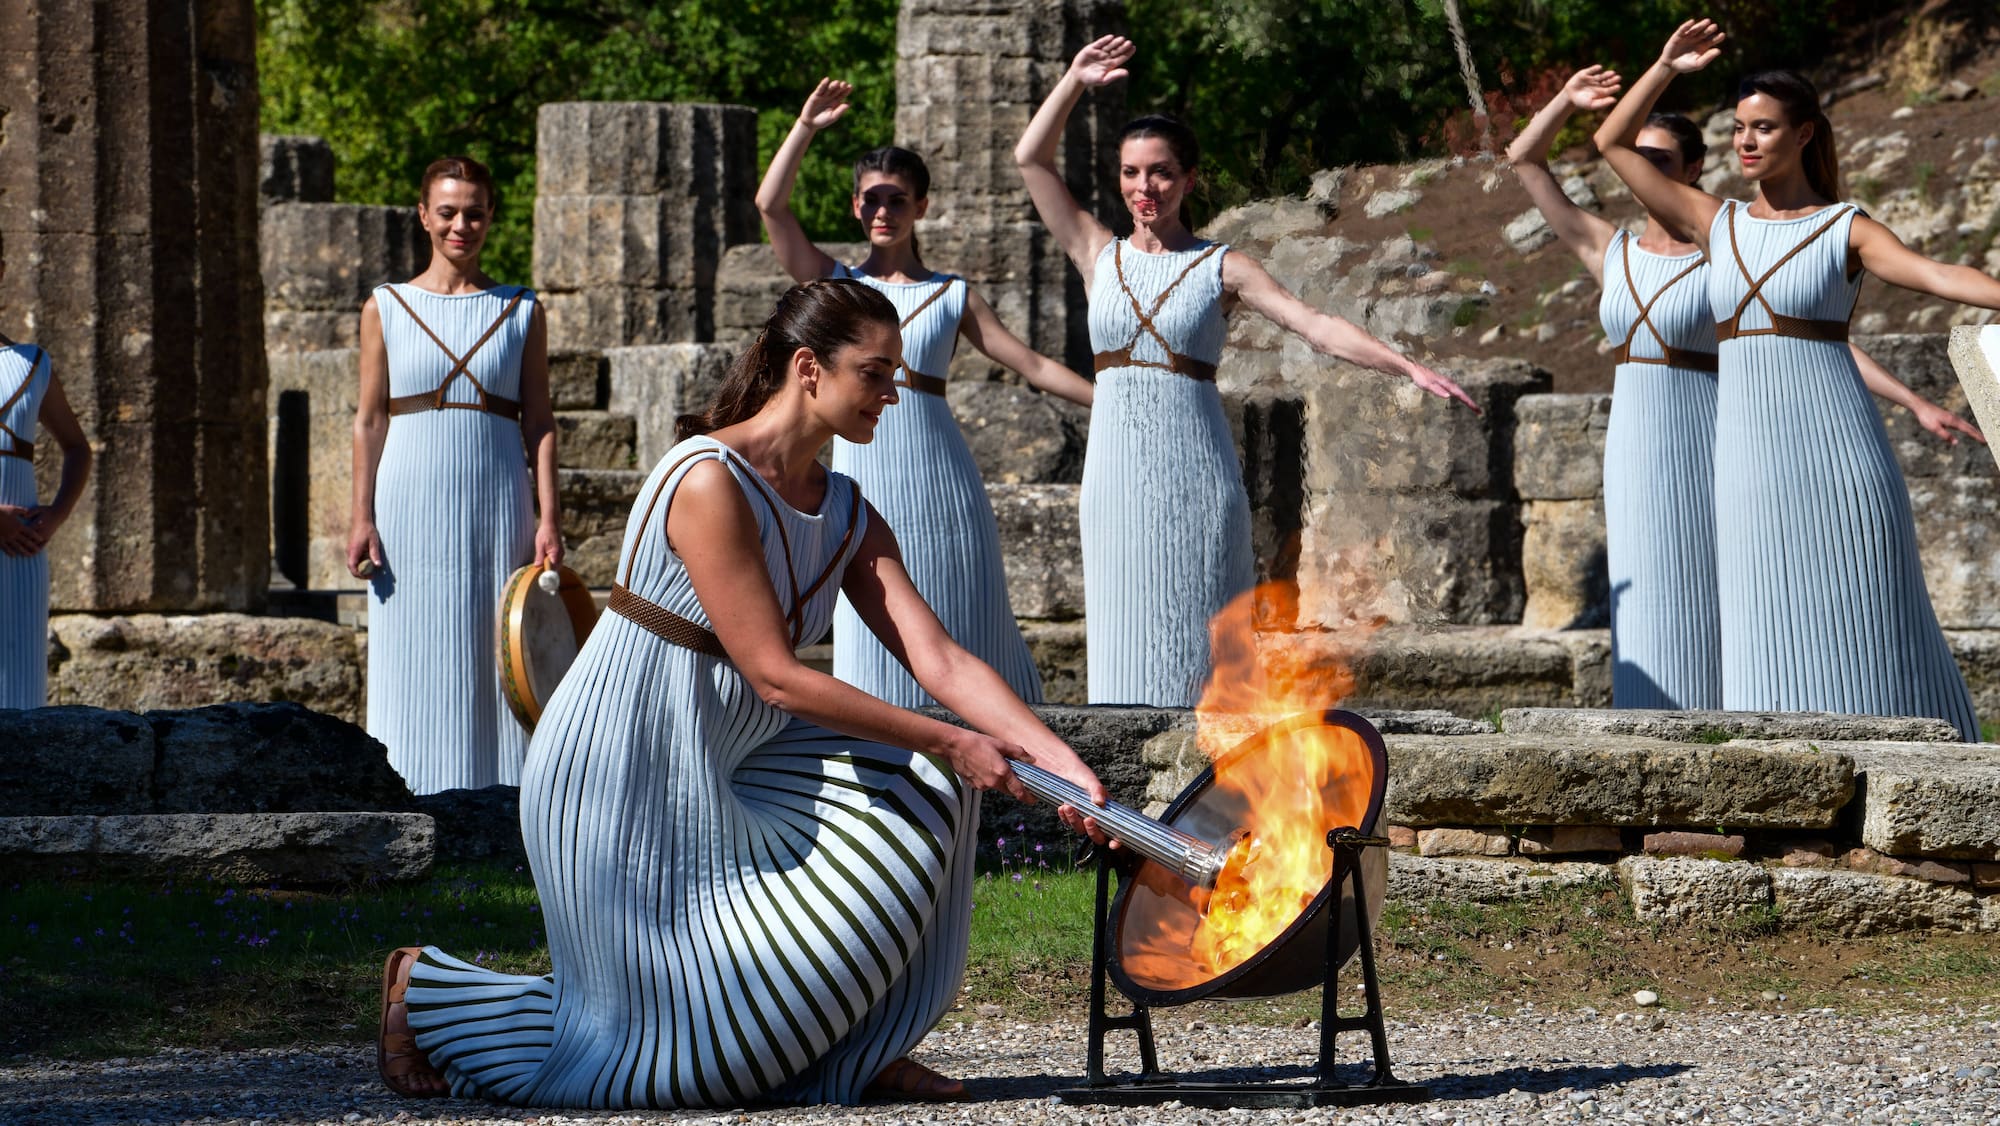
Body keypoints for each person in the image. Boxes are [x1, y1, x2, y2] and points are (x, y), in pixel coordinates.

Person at [375, 279, 1110, 1107]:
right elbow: (774, 675)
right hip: (623, 767)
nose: (892, 392)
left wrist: (1059, 764)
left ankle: (858, 1052)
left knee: (926, 790)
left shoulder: (847, 511)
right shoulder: (707, 478)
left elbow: (939, 658)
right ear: (808, 368)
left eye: (895, 373)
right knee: (667, 1064)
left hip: (736, 760)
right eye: (874, 372)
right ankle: (430, 990)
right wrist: (950, 738)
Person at [1014, 35, 1480, 707]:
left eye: (1161, 172)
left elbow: (1312, 324)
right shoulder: (1097, 255)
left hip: (1196, 475)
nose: (1145, 188)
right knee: (1121, 642)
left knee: (1202, 643)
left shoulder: (1222, 267)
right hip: (1115, 480)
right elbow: (1031, 159)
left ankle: (1208, 788)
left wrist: (1403, 363)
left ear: (1189, 179)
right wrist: (1074, 81)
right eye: (1132, 172)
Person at [1508, 67, 1981, 710]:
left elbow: (1935, 276)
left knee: (1873, 622)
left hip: (1837, 452)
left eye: (1764, 127)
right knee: (1764, 635)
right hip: (1745, 462)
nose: (1748, 141)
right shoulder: (1716, 224)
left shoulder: (1846, 227)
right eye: (1739, 129)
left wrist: (1919, 398)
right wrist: (1666, 68)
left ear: (1804, 133)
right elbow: (1611, 145)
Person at [754, 78, 1094, 708]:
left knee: (962, 609)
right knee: (872, 617)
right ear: (856, 207)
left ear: (922, 208)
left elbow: (1031, 363)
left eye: (898, 201)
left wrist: (1111, 403)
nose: (885, 211)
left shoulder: (952, 293)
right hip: (864, 471)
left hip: (944, 481)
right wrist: (804, 127)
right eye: (873, 200)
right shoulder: (836, 287)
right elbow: (771, 207)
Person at [347, 156, 563, 794]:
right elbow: (368, 421)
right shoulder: (385, 306)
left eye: (474, 212)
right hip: (408, 497)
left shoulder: (522, 310)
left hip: (497, 494)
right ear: (423, 216)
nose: (460, 225)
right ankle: (406, 795)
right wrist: (362, 517)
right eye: (447, 212)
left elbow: (541, 423)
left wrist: (549, 517)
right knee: (414, 648)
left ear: (492, 216)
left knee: (498, 649)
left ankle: (507, 807)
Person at [0, 231, 93, 709]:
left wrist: (55, 515)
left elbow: (77, 447)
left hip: (19, 560)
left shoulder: (30, 364)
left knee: (19, 702)